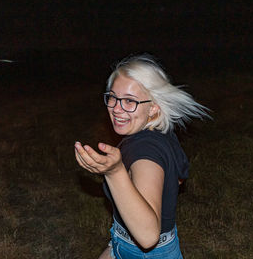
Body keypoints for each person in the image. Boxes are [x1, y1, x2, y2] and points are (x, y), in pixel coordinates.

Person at [74, 53, 210, 259]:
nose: (116, 109)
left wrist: (115, 172)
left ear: (153, 108)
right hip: (124, 243)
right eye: (112, 97)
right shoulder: (162, 133)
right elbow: (180, 176)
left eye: (129, 101)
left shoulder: (145, 150)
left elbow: (147, 236)